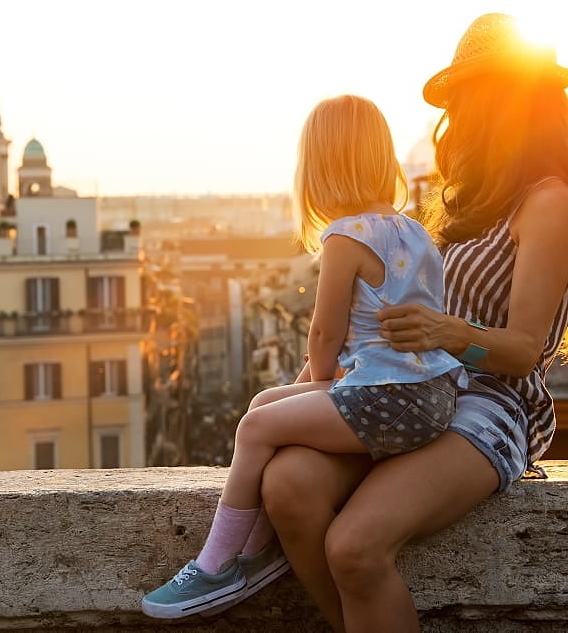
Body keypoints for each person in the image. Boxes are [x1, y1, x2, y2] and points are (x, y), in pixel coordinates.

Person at [259, 13, 568, 632]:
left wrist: (448, 333)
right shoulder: (466, 204)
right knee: (288, 489)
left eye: (465, 101)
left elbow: (521, 351)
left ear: (501, 104)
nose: (454, 121)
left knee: (354, 546)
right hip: (412, 391)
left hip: (490, 404)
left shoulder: (552, 201)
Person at [141, 94, 468, 620]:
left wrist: (318, 386)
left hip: (387, 399)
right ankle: (254, 549)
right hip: (430, 396)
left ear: (319, 166)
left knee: (254, 429)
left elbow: (324, 333)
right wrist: (303, 394)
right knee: (266, 401)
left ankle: (219, 563)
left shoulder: (345, 235)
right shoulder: (416, 232)